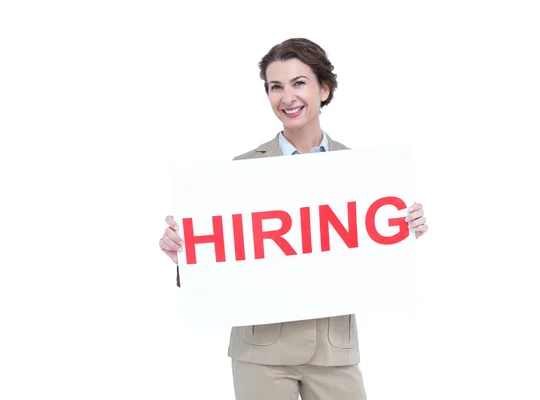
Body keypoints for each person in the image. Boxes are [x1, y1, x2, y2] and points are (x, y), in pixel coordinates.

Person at [159, 38, 429, 400]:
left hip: (333, 348)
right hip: (261, 351)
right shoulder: (239, 173)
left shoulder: (366, 173)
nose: (287, 97)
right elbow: (221, 262)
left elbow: (371, 257)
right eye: (276, 87)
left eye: (299, 83)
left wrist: (403, 230)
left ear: (324, 88)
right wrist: (186, 257)